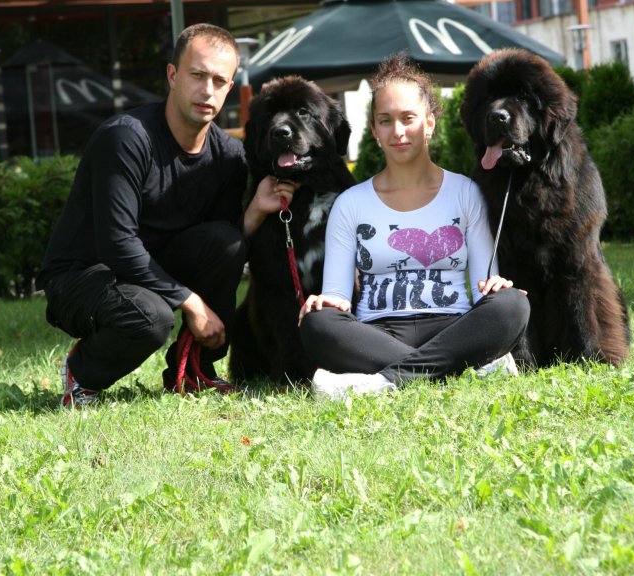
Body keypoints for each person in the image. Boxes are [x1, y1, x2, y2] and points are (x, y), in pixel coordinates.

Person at [38, 23, 293, 407]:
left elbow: (220, 249)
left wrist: (255, 210)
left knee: (227, 241)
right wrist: (191, 302)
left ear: (230, 88)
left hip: (150, 270)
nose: (207, 90)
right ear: (173, 75)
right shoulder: (126, 138)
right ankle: (83, 372)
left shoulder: (228, 156)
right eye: (197, 75)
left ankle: (192, 371)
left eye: (219, 81)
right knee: (151, 318)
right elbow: (117, 244)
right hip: (82, 275)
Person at [298, 53, 530, 399]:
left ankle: (380, 383)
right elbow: (338, 297)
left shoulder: (465, 192)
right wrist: (326, 303)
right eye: (385, 121)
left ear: (429, 122)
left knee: (512, 305)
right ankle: (461, 374)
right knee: (317, 323)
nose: (398, 131)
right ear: (374, 130)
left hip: (453, 328)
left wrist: (496, 288)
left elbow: (485, 285)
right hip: (377, 334)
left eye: (408, 118)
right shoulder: (351, 203)